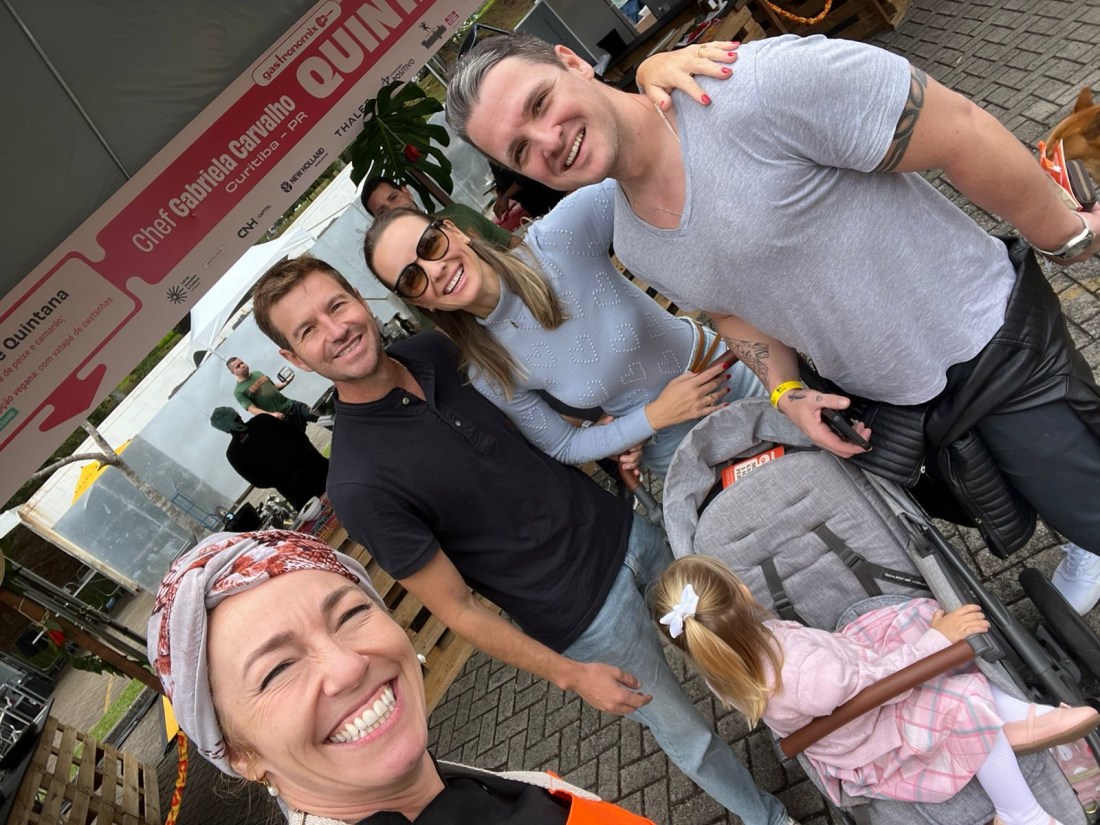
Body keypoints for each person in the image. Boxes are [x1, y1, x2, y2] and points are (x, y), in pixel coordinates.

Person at [445, 34, 1100, 612]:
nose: (548, 141)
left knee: (1087, 506)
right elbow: (731, 312)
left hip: (990, 346)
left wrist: (1067, 236)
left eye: (540, 104)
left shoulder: (749, 88)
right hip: (895, 403)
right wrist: (786, 391)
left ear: (572, 61)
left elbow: (956, 127)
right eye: (520, 149)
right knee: (1030, 505)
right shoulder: (634, 239)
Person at [248, 256, 798, 825]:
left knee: (741, 645)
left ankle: (821, 739)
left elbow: (529, 425)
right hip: (585, 621)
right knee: (688, 735)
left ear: (360, 300)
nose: (336, 329)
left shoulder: (435, 349)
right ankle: (772, 820)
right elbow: (458, 609)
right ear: (294, 359)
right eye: (308, 330)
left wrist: (603, 439)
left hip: (628, 532)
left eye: (336, 305)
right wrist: (569, 675)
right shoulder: (357, 482)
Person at [147, 529, 664, 825]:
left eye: (351, 614)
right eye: (278, 668)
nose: (348, 666)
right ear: (240, 754)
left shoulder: (473, 788)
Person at [653, 555, 1100, 825]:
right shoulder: (805, 674)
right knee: (960, 697)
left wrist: (929, 636)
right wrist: (935, 644)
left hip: (848, 687)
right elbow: (880, 687)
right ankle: (1020, 810)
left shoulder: (723, 666)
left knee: (918, 616)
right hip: (870, 730)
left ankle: (1015, 722)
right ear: (742, 592)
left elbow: (850, 677)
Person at [363, 184, 764, 478]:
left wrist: (722, 295)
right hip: (672, 450)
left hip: (731, 375)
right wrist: (652, 418)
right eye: (412, 278)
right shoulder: (489, 368)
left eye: (430, 244)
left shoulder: (556, 241)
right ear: (420, 303)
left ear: (455, 231)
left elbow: (644, 179)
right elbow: (564, 445)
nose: (434, 270)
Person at [209, 407, 328, 510]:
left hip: (294, 488)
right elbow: (296, 433)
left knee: (322, 516)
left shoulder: (233, 453)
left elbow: (258, 481)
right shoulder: (262, 420)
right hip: (313, 466)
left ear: (224, 429)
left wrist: (281, 479)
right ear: (237, 414)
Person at [360, 176, 519, 249]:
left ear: (406, 192)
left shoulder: (458, 213)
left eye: (393, 198)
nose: (393, 209)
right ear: (378, 222)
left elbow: (511, 242)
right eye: (382, 211)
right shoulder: (407, 264)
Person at [227, 356, 315, 431]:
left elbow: (274, 388)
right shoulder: (238, 391)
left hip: (292, 405)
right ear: (233, 372)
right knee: (300, 441)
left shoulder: (257, 373)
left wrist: (285, 383)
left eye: (242, 363)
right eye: (238, 366)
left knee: (316, 414)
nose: (242, 366)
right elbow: (253, 409)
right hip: (281, 418)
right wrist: (272, 415)